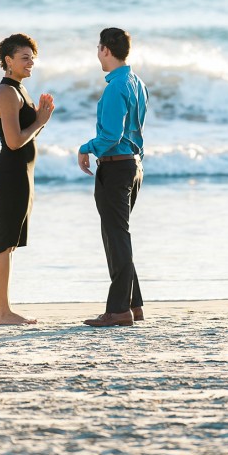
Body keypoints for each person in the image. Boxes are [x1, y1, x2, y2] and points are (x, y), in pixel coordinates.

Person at [78, 28, 149, 327]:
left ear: (106, 49)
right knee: (120, 235)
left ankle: (118, 310)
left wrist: (85, 147)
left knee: (116, 237)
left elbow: (111, 135)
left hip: (117, 166)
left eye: (98, 47)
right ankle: (134, 305)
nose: (97, 53)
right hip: (133, 166)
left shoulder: (115, 87)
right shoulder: (138, 83)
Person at [0, 33, 55, 325]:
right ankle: (2, 312)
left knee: (10, 243)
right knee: (3, 243)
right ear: (8, 61)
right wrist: (40, 121)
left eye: (33, 57)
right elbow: (14, 142)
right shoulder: (6, 92)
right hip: (10, 172)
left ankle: (5, 310)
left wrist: (40, 119)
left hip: (21, 173)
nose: (31, 63)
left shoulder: (20, 90)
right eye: (24, 58)